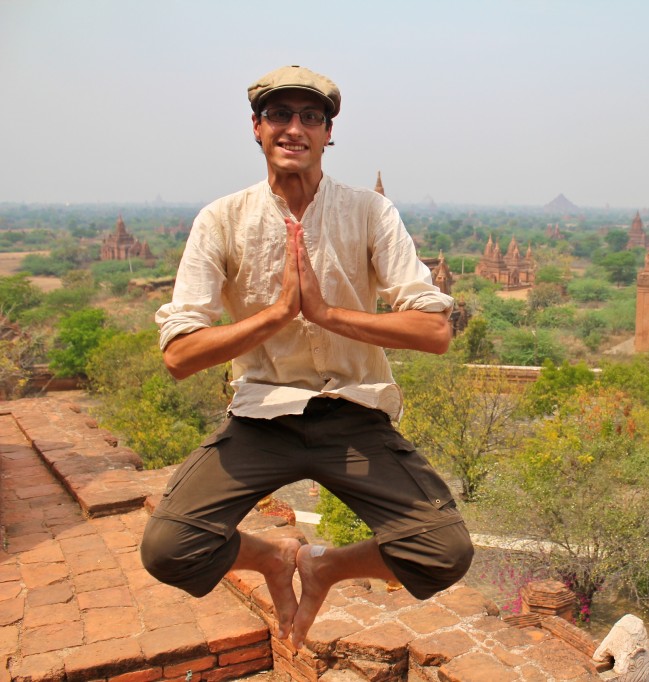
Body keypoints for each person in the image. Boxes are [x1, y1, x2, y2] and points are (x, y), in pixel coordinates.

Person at [140, 65, 474, 650]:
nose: (294, 128)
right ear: (257, 128)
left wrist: (324, 313)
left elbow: (434, 330)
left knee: (444, 552)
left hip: (352, 414)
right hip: (262, 416)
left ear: (328, 133)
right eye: (279, 115)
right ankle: (272, 557)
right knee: (169, 549)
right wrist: (273, 316)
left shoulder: (370, 213)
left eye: (310, 117)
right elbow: (179, 355)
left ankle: (325, 565)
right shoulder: (222, 220)